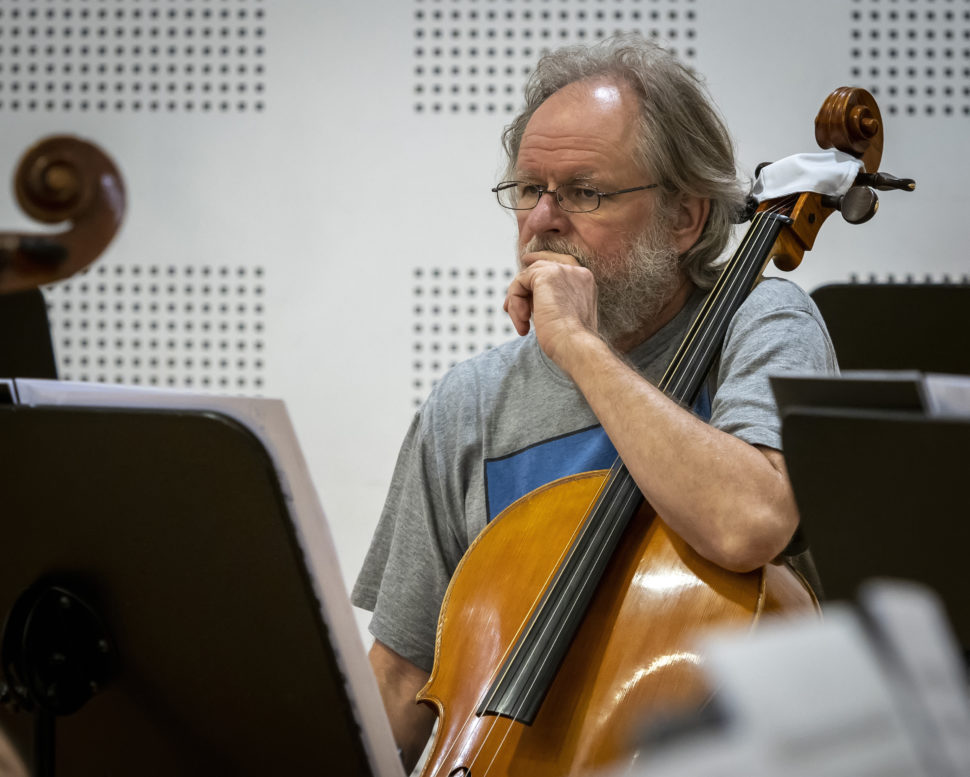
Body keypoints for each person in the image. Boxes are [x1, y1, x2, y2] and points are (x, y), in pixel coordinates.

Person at [352, 34, 837, 770]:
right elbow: (401, 676)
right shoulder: (471, 401)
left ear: (686, 218)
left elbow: (750, 523)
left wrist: (579, 348)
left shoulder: (761, 324)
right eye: (528, 189)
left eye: (585, 191)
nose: (543, 219)